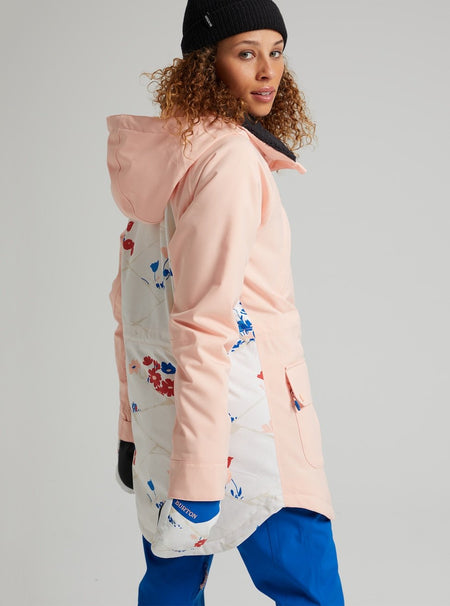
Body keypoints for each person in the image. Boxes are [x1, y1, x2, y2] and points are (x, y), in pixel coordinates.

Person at [106, 0, 345, 604]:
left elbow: (133, 313)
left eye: (276, 52)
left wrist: (133, 429)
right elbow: (203, 323)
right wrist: (197, 478)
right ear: (205, 63)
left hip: (175, 423)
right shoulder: (230, 160)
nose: (268, 71)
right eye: (245, 53)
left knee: (172, 586)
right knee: (309, 589)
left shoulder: (171, 157)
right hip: (249, 426)